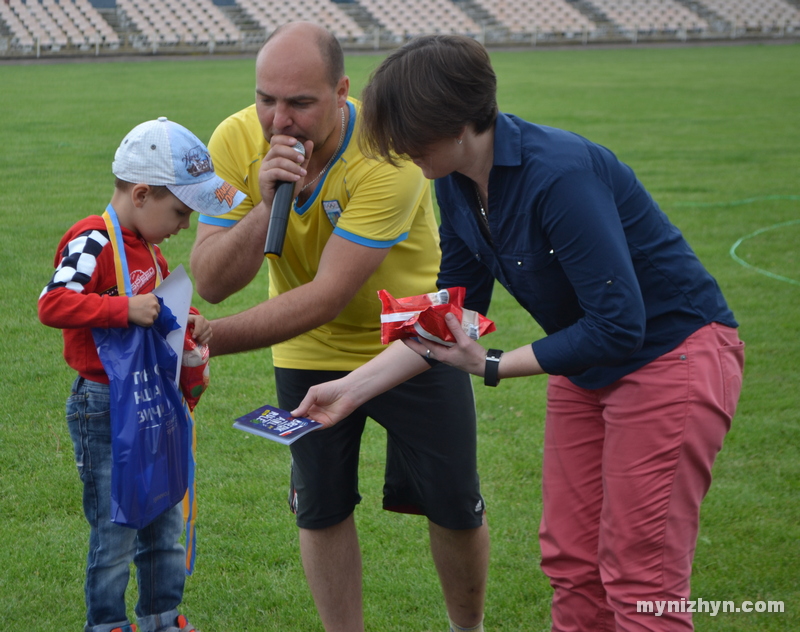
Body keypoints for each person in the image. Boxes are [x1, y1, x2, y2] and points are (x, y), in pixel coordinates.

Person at [291, 35, 746, 632]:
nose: (400, 150)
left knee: (640, 574)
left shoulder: (560, 175)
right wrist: (350, 390)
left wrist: (494, 364)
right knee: (571, 560)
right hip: (589, 368)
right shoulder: (452, 183)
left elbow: (620, 323)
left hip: (669, 358)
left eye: (409, 133)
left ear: (457, 122)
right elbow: (454, 317)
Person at [188, 22, 489, 632]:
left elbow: (327, 294)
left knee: (454, 504)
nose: (279, 120)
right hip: (305, 348)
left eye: (300, 102)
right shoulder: (233, 138)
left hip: (414, 339)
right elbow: (212, 281)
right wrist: (266, 207)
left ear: (341, 91)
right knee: (319, 507)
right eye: (266, 99)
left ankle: (468, 629)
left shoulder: (389, 151)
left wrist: (202, 340)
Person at [38, 117, 245, 632]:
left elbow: (158, 309)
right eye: (180, 211)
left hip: (151, 402)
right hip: (105, 407)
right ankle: (106, 624)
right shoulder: (93, 239)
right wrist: (122, 309)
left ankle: (160, 617)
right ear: (141, 193)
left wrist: (185, 320)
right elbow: (53, 301)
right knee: (116, 531)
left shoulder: (150, 248)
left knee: (164, 518)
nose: (184, 224)